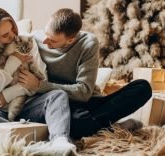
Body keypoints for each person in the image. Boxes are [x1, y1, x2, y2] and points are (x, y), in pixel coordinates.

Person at [18, 8, 152, 139]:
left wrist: (39, 85)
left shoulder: (88, 43)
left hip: (85, 99)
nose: (45, 41)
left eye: (52, 41)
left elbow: (83, 93)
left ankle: (95, 125)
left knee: (142, 87)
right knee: (76, 122)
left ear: (70, 40)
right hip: (61, 104)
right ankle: (112, 127)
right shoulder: (34, 38)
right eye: (46, 33)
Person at [0, 6, 76, 153]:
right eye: (5, 35)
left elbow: (41, 78)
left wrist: (9, 93)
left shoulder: (25, 42)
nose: (13, 36)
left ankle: (60, 142)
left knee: (58, 95)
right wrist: (13, 62)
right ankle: (34, 138)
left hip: (27, 105)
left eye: (13, 29)